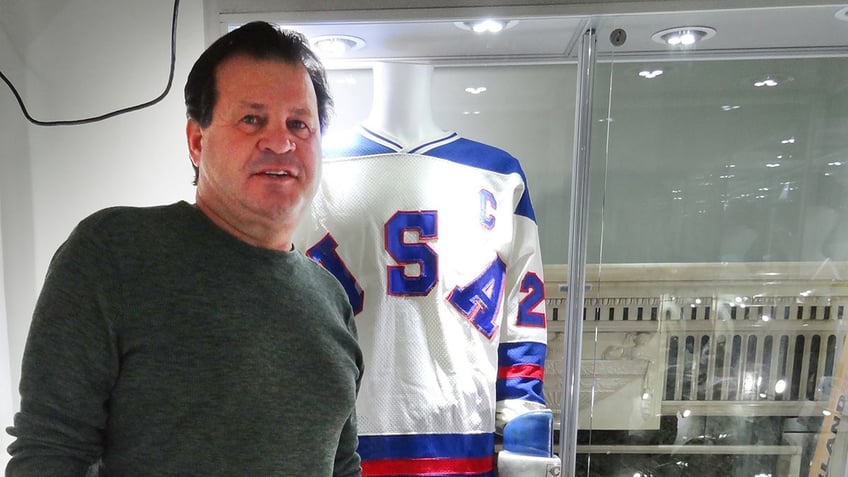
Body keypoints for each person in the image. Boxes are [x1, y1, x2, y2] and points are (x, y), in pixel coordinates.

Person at [6, 21, 363, 477]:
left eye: (300, 124)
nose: (280, 141)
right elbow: (49, 453)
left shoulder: (331, 299)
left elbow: (343, 465)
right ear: (197, 140)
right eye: (252, 119)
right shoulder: (113, 253)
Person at [295, 61, 549, 476]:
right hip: (341, 449)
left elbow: (522, 318)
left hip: (462, 445)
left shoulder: (500, 175)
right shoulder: (313, 168)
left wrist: (526, 437)